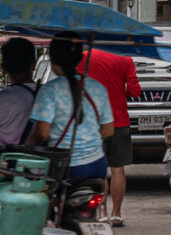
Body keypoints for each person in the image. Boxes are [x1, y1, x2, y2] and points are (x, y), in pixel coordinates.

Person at [28, 31, 114, 183]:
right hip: (97, 165)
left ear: (52, 59)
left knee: (49, 203)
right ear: (80, 58)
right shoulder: (98, 88)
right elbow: (108, 130)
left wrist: (32, 144)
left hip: (65, 168)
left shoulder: (49, 90)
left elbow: (42, 133)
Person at [79, 48, 140, 227]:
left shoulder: (84, 58)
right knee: (118, 169)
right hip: (119, 122)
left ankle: (102, 212)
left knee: (99, 171)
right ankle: (117, 215)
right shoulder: (125, 58)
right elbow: (135, 90)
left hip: (93, 123)